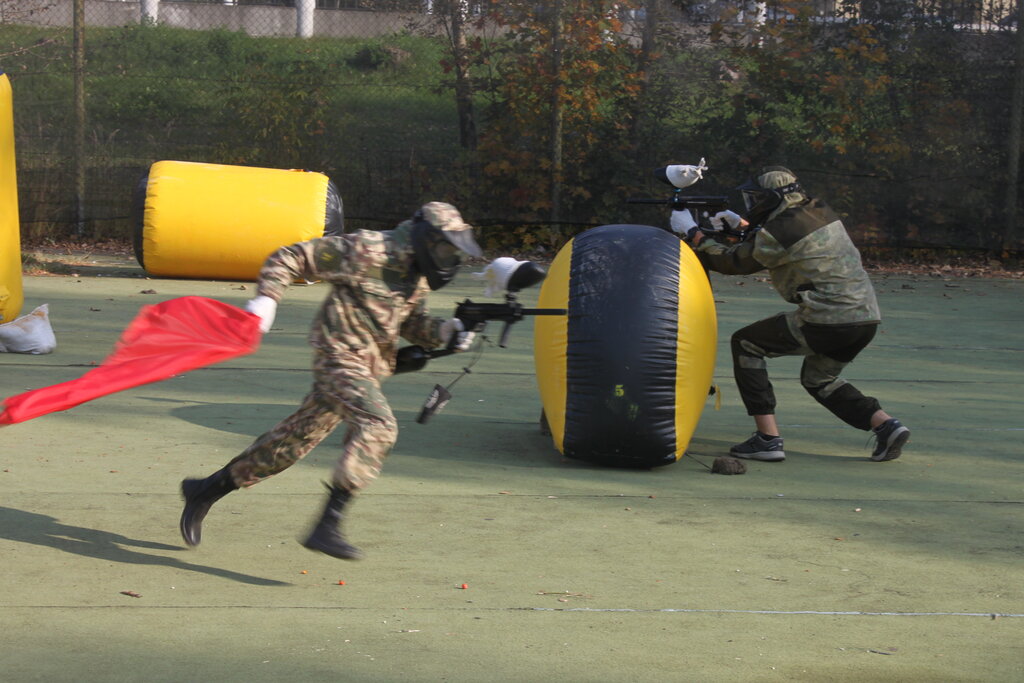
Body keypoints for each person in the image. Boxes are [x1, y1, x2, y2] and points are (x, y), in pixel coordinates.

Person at [178, 201, 483, 559]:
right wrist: (266, 301)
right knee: (379, 425)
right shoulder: (366, 249)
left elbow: (410, 323)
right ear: (425, 238)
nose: (448, 257)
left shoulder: (416, 276)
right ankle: (328, 525)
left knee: (290, 443)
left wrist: (447, 332)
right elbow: (291, 256)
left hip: (366, 369)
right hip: (337, 358)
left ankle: (205, 490)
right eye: (445, 247)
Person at [671, 165, 909, 463]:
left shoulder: (783, 230)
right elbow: (783, 242)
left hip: (827, 320)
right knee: (819, 379)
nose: (753, 204)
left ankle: (767, 439)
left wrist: (692, 233)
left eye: (757, 199)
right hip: (865, 318)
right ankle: (886, 425)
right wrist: (743, 227)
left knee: (746, 343)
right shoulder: (820, 211)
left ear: (773, 198)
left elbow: (734, 263)